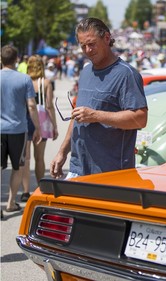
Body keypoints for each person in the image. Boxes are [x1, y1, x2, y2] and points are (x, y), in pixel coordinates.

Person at [50, 17, 148, 179]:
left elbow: (140, 118)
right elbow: (77, 116)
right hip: (78, 169)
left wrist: (96, 116)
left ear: (107, 38)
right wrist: (62, 152)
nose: (88, 50)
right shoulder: (86, 72)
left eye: (92, 44)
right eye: (83, 46)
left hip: (110, 173)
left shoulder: (126, 74)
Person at [1, 45, 41, 212]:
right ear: (17, 59)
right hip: (18, 129)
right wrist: (38, 127)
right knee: (17, 167)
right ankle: (10, 203)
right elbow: (32, 106)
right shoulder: (24, 79)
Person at [21, 55, 59, 201]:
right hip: (42, 120)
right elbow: (49, 106)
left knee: (26, 158)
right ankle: (39, 187)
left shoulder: (25, 81)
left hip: (25, 118)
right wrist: (54, 126)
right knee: (39, 157)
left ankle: (25, 191)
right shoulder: (46, 82)